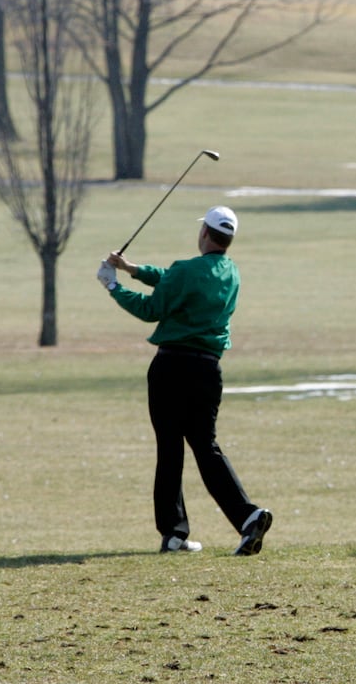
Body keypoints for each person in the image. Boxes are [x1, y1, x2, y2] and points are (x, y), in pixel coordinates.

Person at [97, 205, 272, 556]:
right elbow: (171, 279)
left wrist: (113, 285)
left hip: (170, 369)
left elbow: (151, 309)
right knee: (206, 447)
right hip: (208, 371)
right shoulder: (231, 273)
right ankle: (247, 516)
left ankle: (174, 533)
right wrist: (132, 268)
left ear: (204, 233)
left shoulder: (185, 270)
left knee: (170, 449)